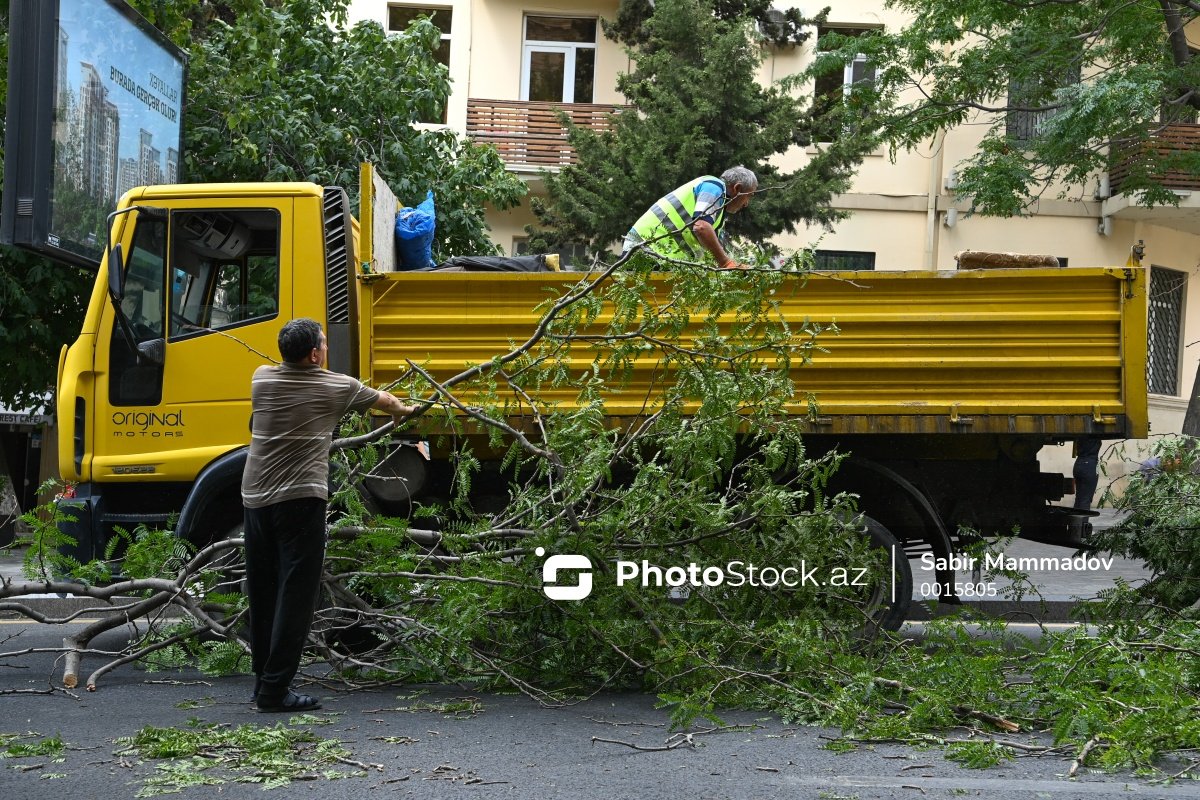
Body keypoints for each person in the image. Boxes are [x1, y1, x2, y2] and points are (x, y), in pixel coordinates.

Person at [241, 318, 417, 712]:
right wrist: (402, 411)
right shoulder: (335, 386)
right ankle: (274, 692)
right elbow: (386, 402)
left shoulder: (261, 378)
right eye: (323, 343)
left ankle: (261, 683)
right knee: (296, 596)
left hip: (253, 499)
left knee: (264, 592)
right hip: (300, 500)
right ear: (315, 354)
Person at [622, 166, 758, 269]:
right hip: (646, 249)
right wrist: (726, 263)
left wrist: (734, 265)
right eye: (749, 196)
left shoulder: (718, 214)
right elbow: (701, 227)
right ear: (737, 188)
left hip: (656, 254)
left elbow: (711, 249)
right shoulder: (714, 186)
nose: (746, 204)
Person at [1072, 437, 1102, 511]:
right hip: (1089, 464)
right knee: (1085, 499)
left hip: (1078, 463)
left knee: (1078, 498)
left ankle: (1076, 522)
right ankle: (1083, 522)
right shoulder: (1095, 433)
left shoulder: (1080, 434)